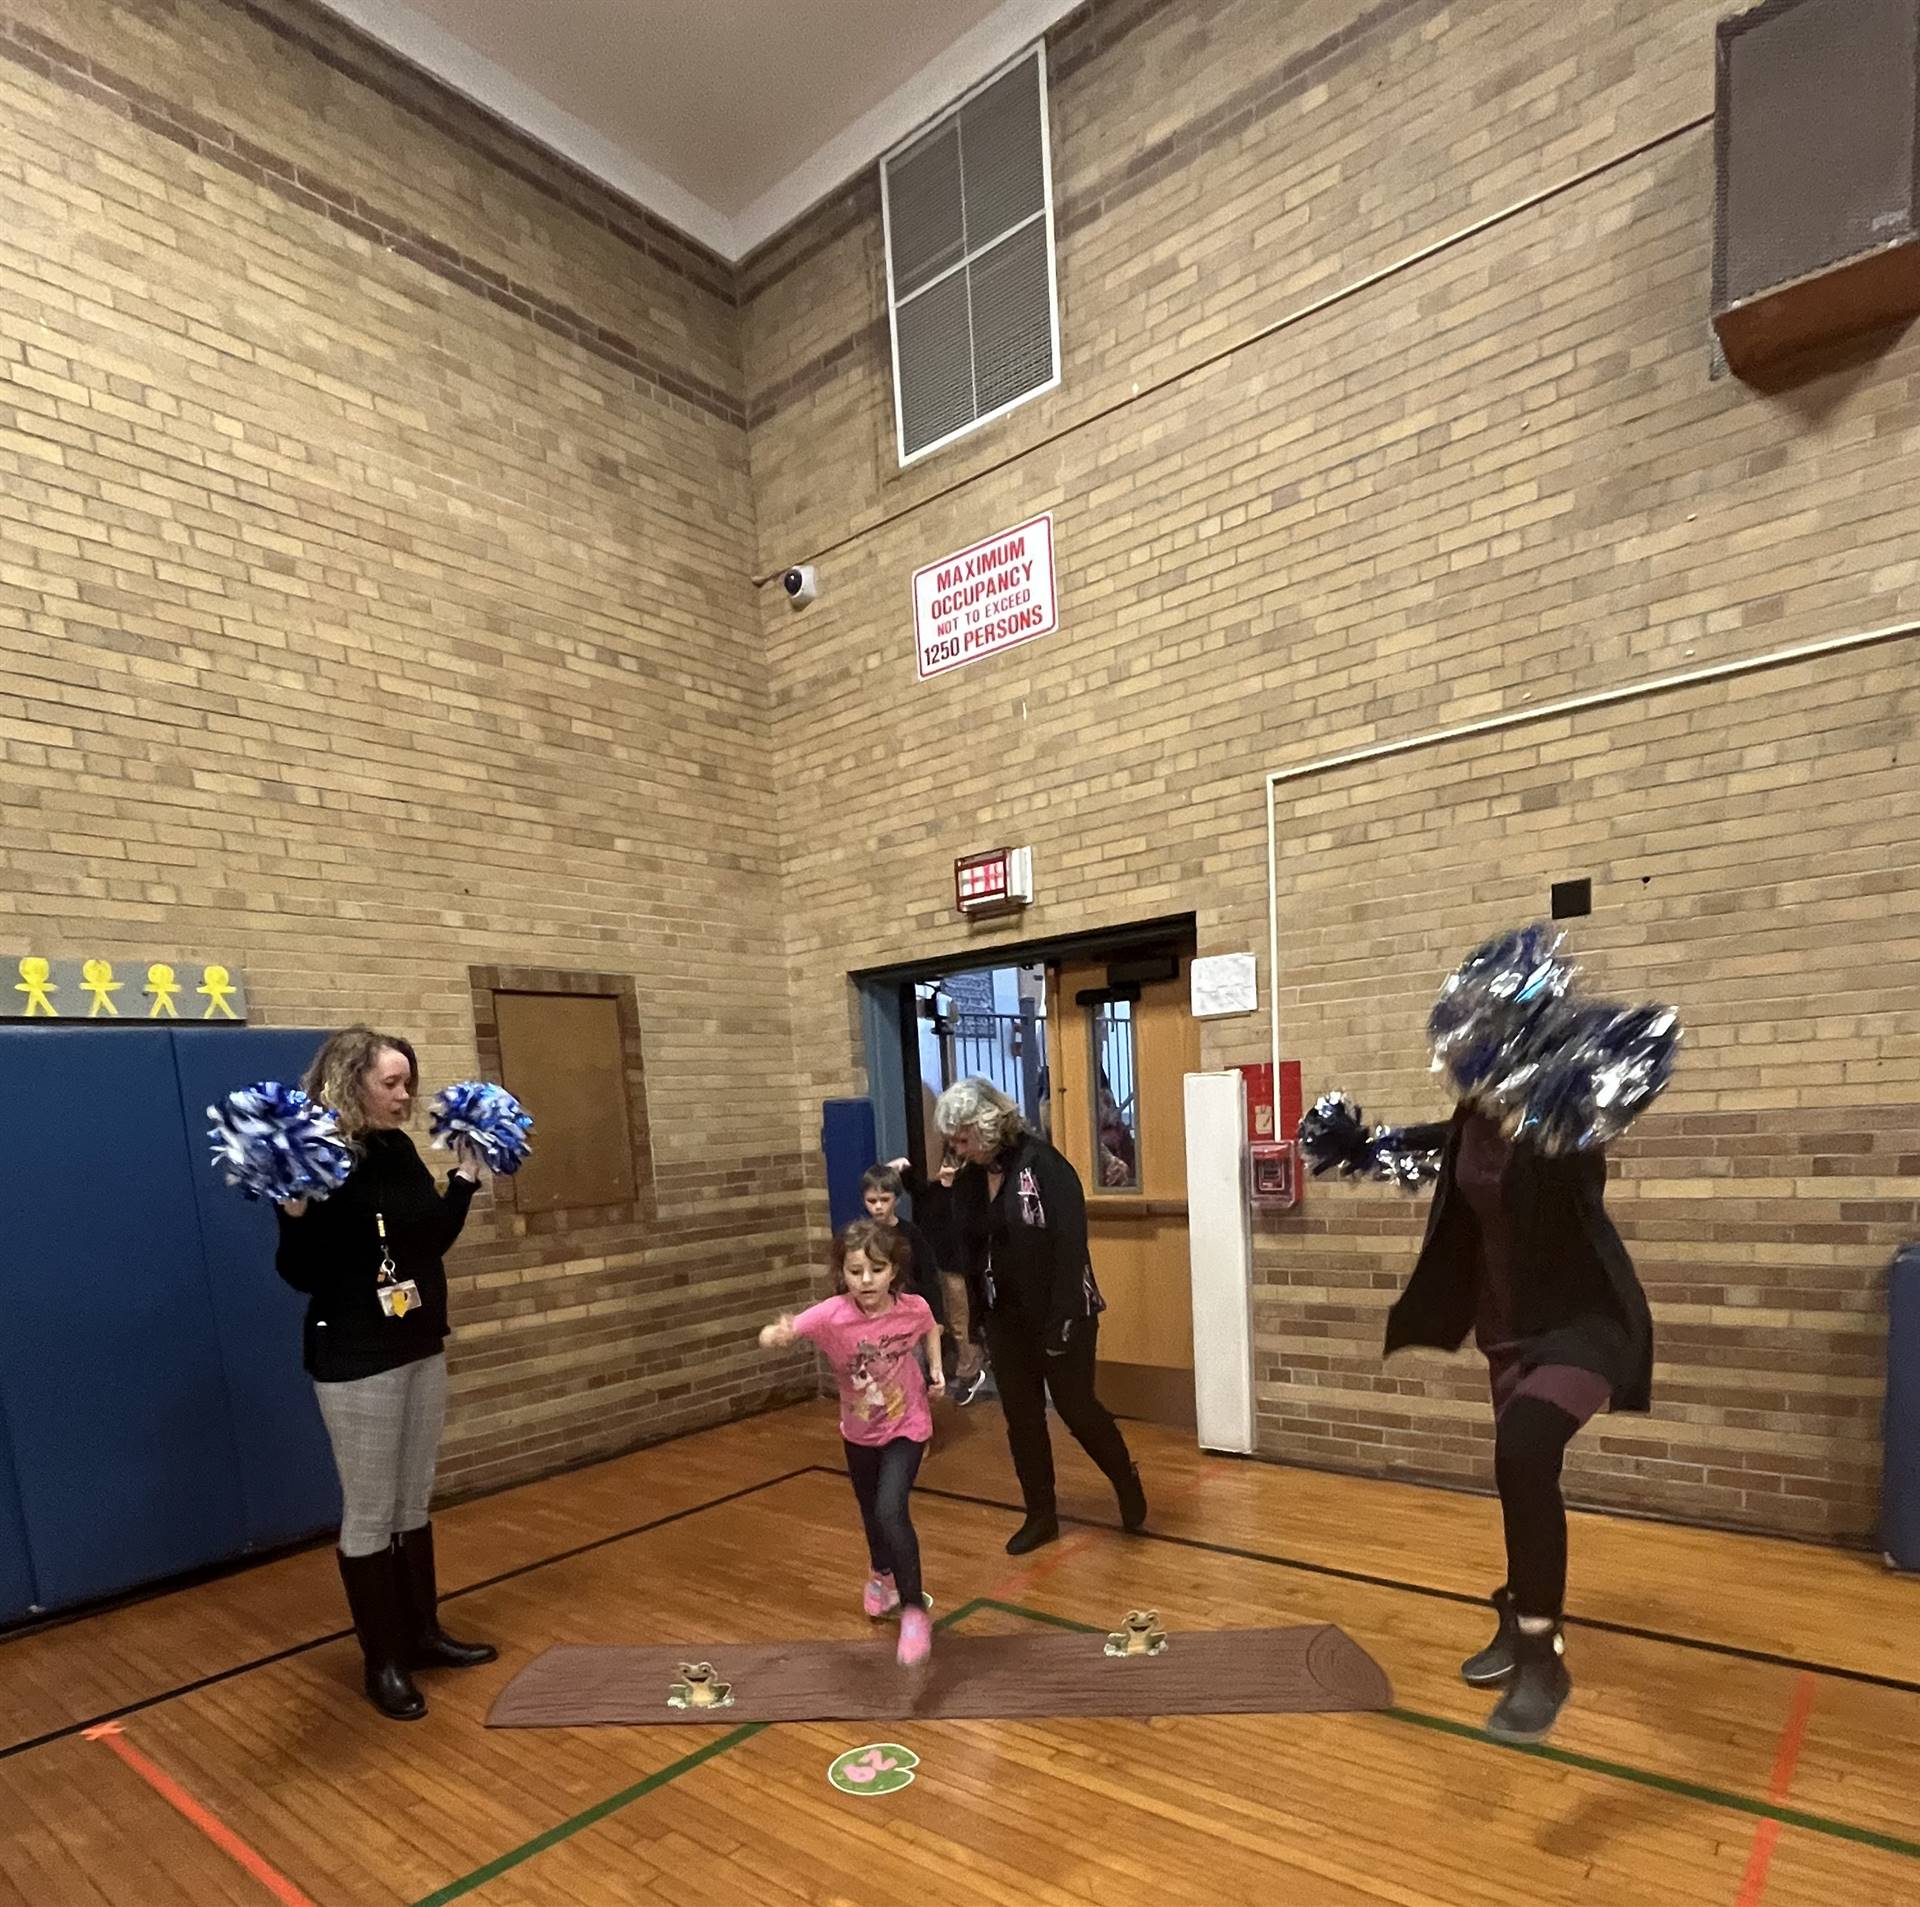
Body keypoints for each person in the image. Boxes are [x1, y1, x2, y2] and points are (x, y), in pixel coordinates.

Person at [1380, 1103, 1653, 1743]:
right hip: (1507, 1336)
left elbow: (1584, 1155)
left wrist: (1564, 1091)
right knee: (1521, 1475)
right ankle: (1518, 1612)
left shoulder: (1560, 1117)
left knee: (1525, 1451)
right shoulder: (1471, 1114)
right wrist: (1369, 1143)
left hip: (1584, 1327)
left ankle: (1541, 1655)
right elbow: (1447, 1150)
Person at [275, 1026, 497, 1721]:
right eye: (391, 1083)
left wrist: (463, 1180)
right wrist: (293, 1212)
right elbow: (299, 1271)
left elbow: (426, 1239)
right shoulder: (315, 1158)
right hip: (354, 1355)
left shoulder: (398, 1149)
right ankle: (384, 1660)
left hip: (418, 1341)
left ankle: (422, 1632)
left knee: (412, 1500)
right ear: (352, 1082)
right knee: (371, 1509)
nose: (405, 1095)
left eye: (408, 1082)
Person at [937, 1076, 1145, 1554]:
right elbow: (967, 1250)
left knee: (1076, 1408)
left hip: (1062, 1309)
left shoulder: (1044, 1165)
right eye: (952, 1139)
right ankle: (1041, 1515)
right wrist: (975, 1323)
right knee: (1022, 1418)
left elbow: (1071, 1248)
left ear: (987, 1125)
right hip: (1005, 1316)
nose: (957, 1148)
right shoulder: (969, 1177)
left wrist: (1063, 1320)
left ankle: (1125, 1479)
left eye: (963, 1137)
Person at [758, 1220, 944, 1666]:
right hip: (859, 1433)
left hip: (908, 1425)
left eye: (876, 1271)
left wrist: (935, 1370)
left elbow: (931, 1326)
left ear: (893, 1272)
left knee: (890, 1508)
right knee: (871, 1514)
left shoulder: (912, 1308)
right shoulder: (831, 1315)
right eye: (855, 1271)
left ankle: (915, 1610)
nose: (866, 1281)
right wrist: (778, 1333)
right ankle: (882, 1575)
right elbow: (786, 1329)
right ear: (843, 1272)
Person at [885, 1147, 990, 1403]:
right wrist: (901, 1167)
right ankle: (952, 1367)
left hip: (958, 1269)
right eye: (947, 1162)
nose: (948, 1168)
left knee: (960, 1322)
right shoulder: (933, 1192)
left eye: (955, 1165)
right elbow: (912, 1183)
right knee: (940, 1320)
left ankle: (970, 1374)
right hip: (936, 1267)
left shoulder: (967, 1196)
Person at [858, 1165, 945, 1328]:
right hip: (873, 1312)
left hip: (908, 1309)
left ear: (896, 1199)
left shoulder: (911, 1234)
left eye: (884, 1200)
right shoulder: (860, 1235)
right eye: (871, 1201)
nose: (878, 1206)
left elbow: (928, 1276)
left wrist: (937, 1317)